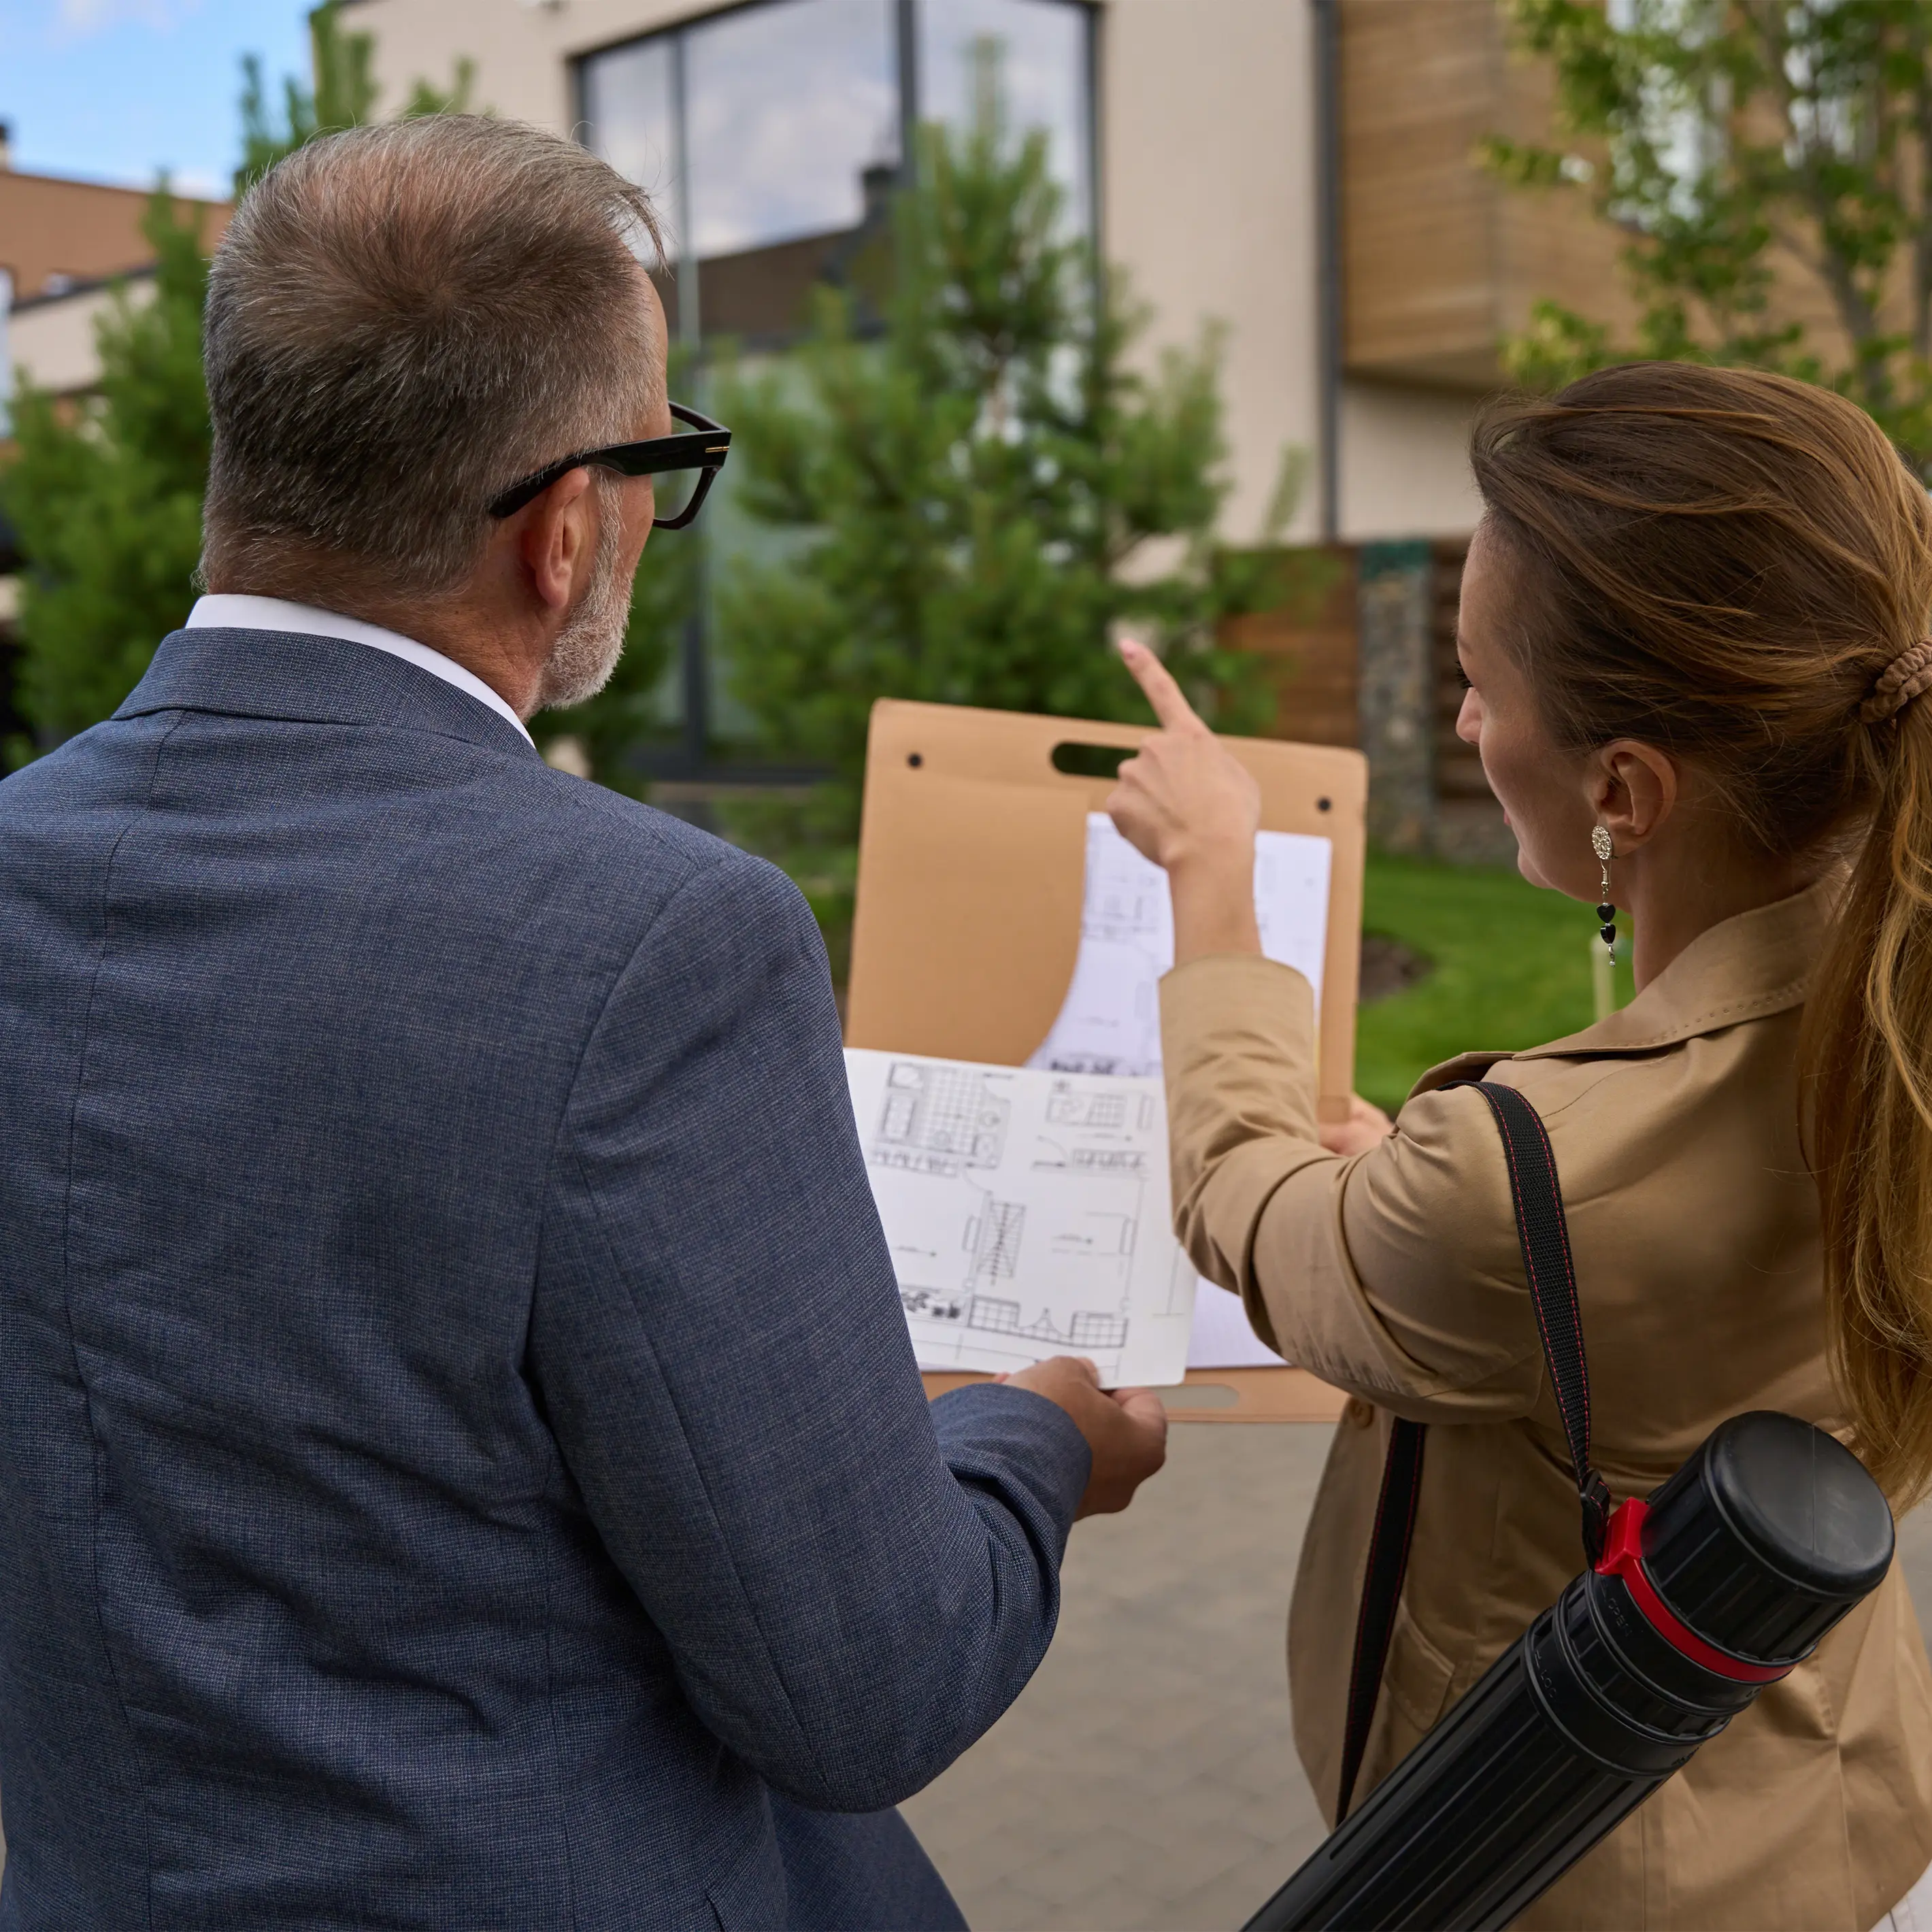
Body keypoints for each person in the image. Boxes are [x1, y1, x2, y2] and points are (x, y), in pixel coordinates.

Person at [0, 115, 1167, 1931]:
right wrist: (1036, 1443)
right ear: (562, 532)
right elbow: (868, 1685)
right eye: (659, 461)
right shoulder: (652, 945)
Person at [1107, 361, 1932, 1931]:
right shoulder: (1899, 1007)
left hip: (1572, 1873)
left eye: (1478, 681)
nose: (1468, 718)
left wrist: (1214, 880)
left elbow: (1247, 1209)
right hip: (1852, 1817)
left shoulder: (1520, 1184)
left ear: (1625, 787)